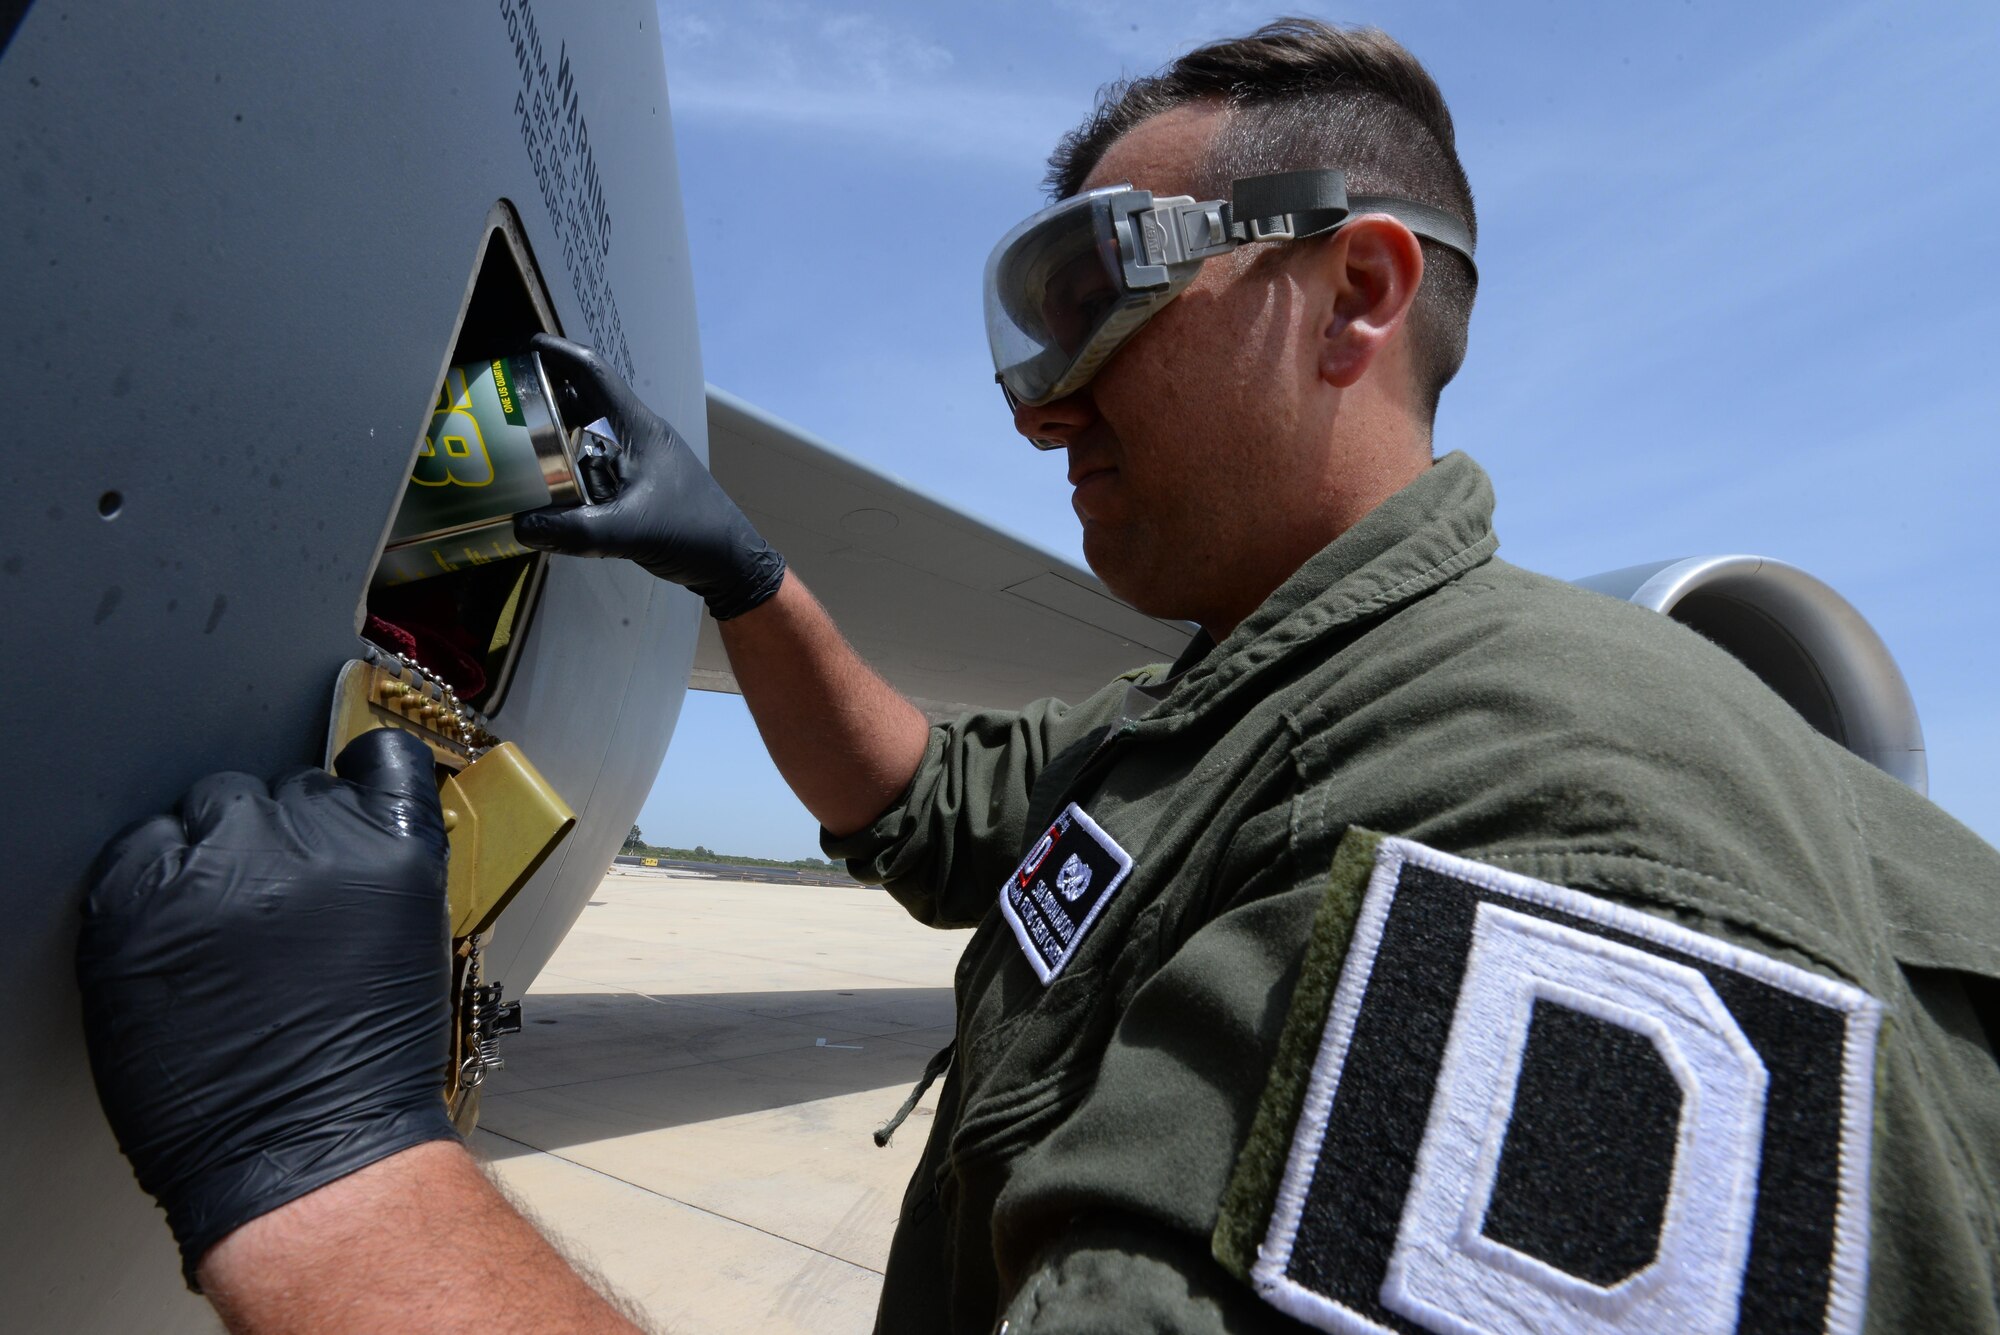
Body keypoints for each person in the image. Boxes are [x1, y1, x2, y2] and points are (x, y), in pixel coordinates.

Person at [75, 19, 2000, 1335]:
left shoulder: (1540, 807)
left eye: (1106, 299)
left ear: (1360, 293)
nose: (1046, 404)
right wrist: (734, 565)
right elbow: (931, 807)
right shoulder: (1250, 715)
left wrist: (331, 1174)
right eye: (1030, 328)